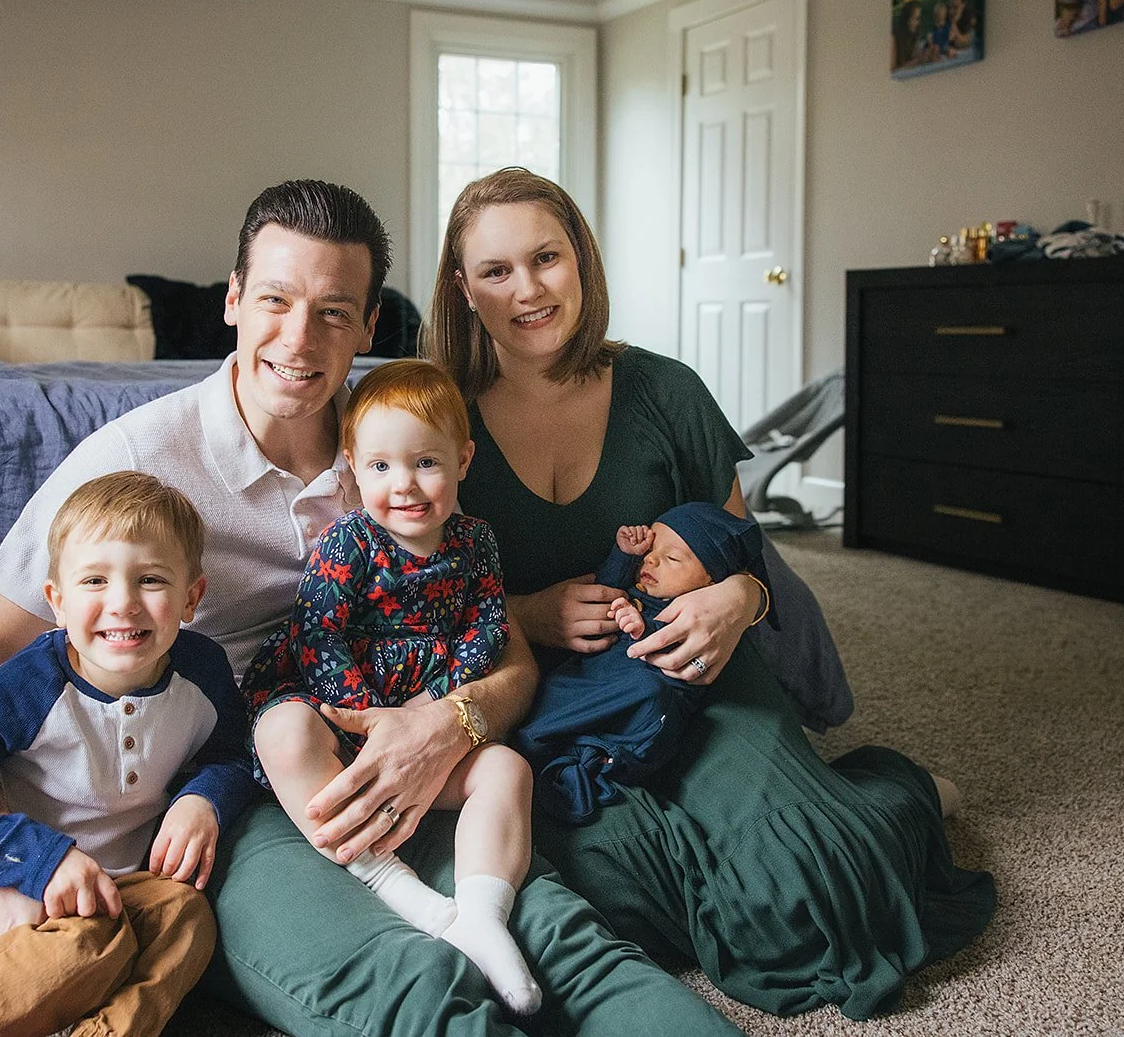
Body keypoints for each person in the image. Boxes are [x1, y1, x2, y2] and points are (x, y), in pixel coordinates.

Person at [0, 178, 744, 1036]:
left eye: (334, 312)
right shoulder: (130, 464)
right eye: (274, 299)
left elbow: (499, 645)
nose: (298, 339)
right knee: (406, 983)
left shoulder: (396, 454)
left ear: (371, 324)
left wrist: (448, 725)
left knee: (552, 934)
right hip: (236, 788)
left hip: (390, 748)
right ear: (234, 300)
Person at [422, 166, 996, 1020]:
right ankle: (789, 821)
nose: (529, 288)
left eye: (546, 256)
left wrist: (740, 602)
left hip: (700, 670)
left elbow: (741, 549)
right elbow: (416, 603)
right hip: (555, 703)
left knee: (816, 895)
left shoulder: (666, 391)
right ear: (464, 289)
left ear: (580, 257)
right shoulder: (437, 417)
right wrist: (526, 611)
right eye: (497, 271)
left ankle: (891, 792)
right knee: (579, 892)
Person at [0, 471, 257, 1037]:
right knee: (88, 940)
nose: (123, 604)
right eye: (94, 581)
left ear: (191, 598)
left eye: (151, 580)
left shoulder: (203, 672)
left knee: (187, 918)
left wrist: (202, 799)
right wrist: (39, 861)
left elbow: (233, 755)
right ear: (57, 602)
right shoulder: (21, 690)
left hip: (120, 890)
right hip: (1, 892)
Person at [246, 358, 541, 1013]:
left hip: (428, 726)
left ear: (463, 460)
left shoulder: (475, 543)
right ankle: (399, 888)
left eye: (425, 463)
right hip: (340, 721)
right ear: (352, 463)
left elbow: (488, 627)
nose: (403, 485)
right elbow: (317, 637)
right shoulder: (347, 543)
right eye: (380, 466)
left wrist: (433, 706)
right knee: (280, 731)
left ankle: (482, 912)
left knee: (507, 768)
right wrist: (374, 715)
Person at [514, 502, 772, 824]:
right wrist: (625, 553)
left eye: (672, 558)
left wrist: (642, 628)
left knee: (649, 695)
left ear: (710, 580)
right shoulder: (636, 587)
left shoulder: (695, 609)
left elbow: (678, 648)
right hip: (592, 678)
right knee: (554, 683)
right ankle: (542, 737)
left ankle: (593, 758)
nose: (651, 559)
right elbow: (606, 585)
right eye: (650, 550)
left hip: (644, 692)